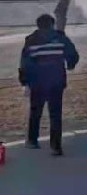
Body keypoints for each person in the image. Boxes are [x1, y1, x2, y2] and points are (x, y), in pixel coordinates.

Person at [18, 14, 79, 156]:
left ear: (38, 25)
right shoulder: (60, 38)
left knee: (35, 111)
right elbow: (73, 55)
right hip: (56, 80)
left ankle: (32, 141)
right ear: (52, 24)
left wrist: (24, 82)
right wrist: (70, 65)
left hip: (37, 81)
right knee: (55, 114)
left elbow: (25, 64)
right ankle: (56, 146)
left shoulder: (31, 40)